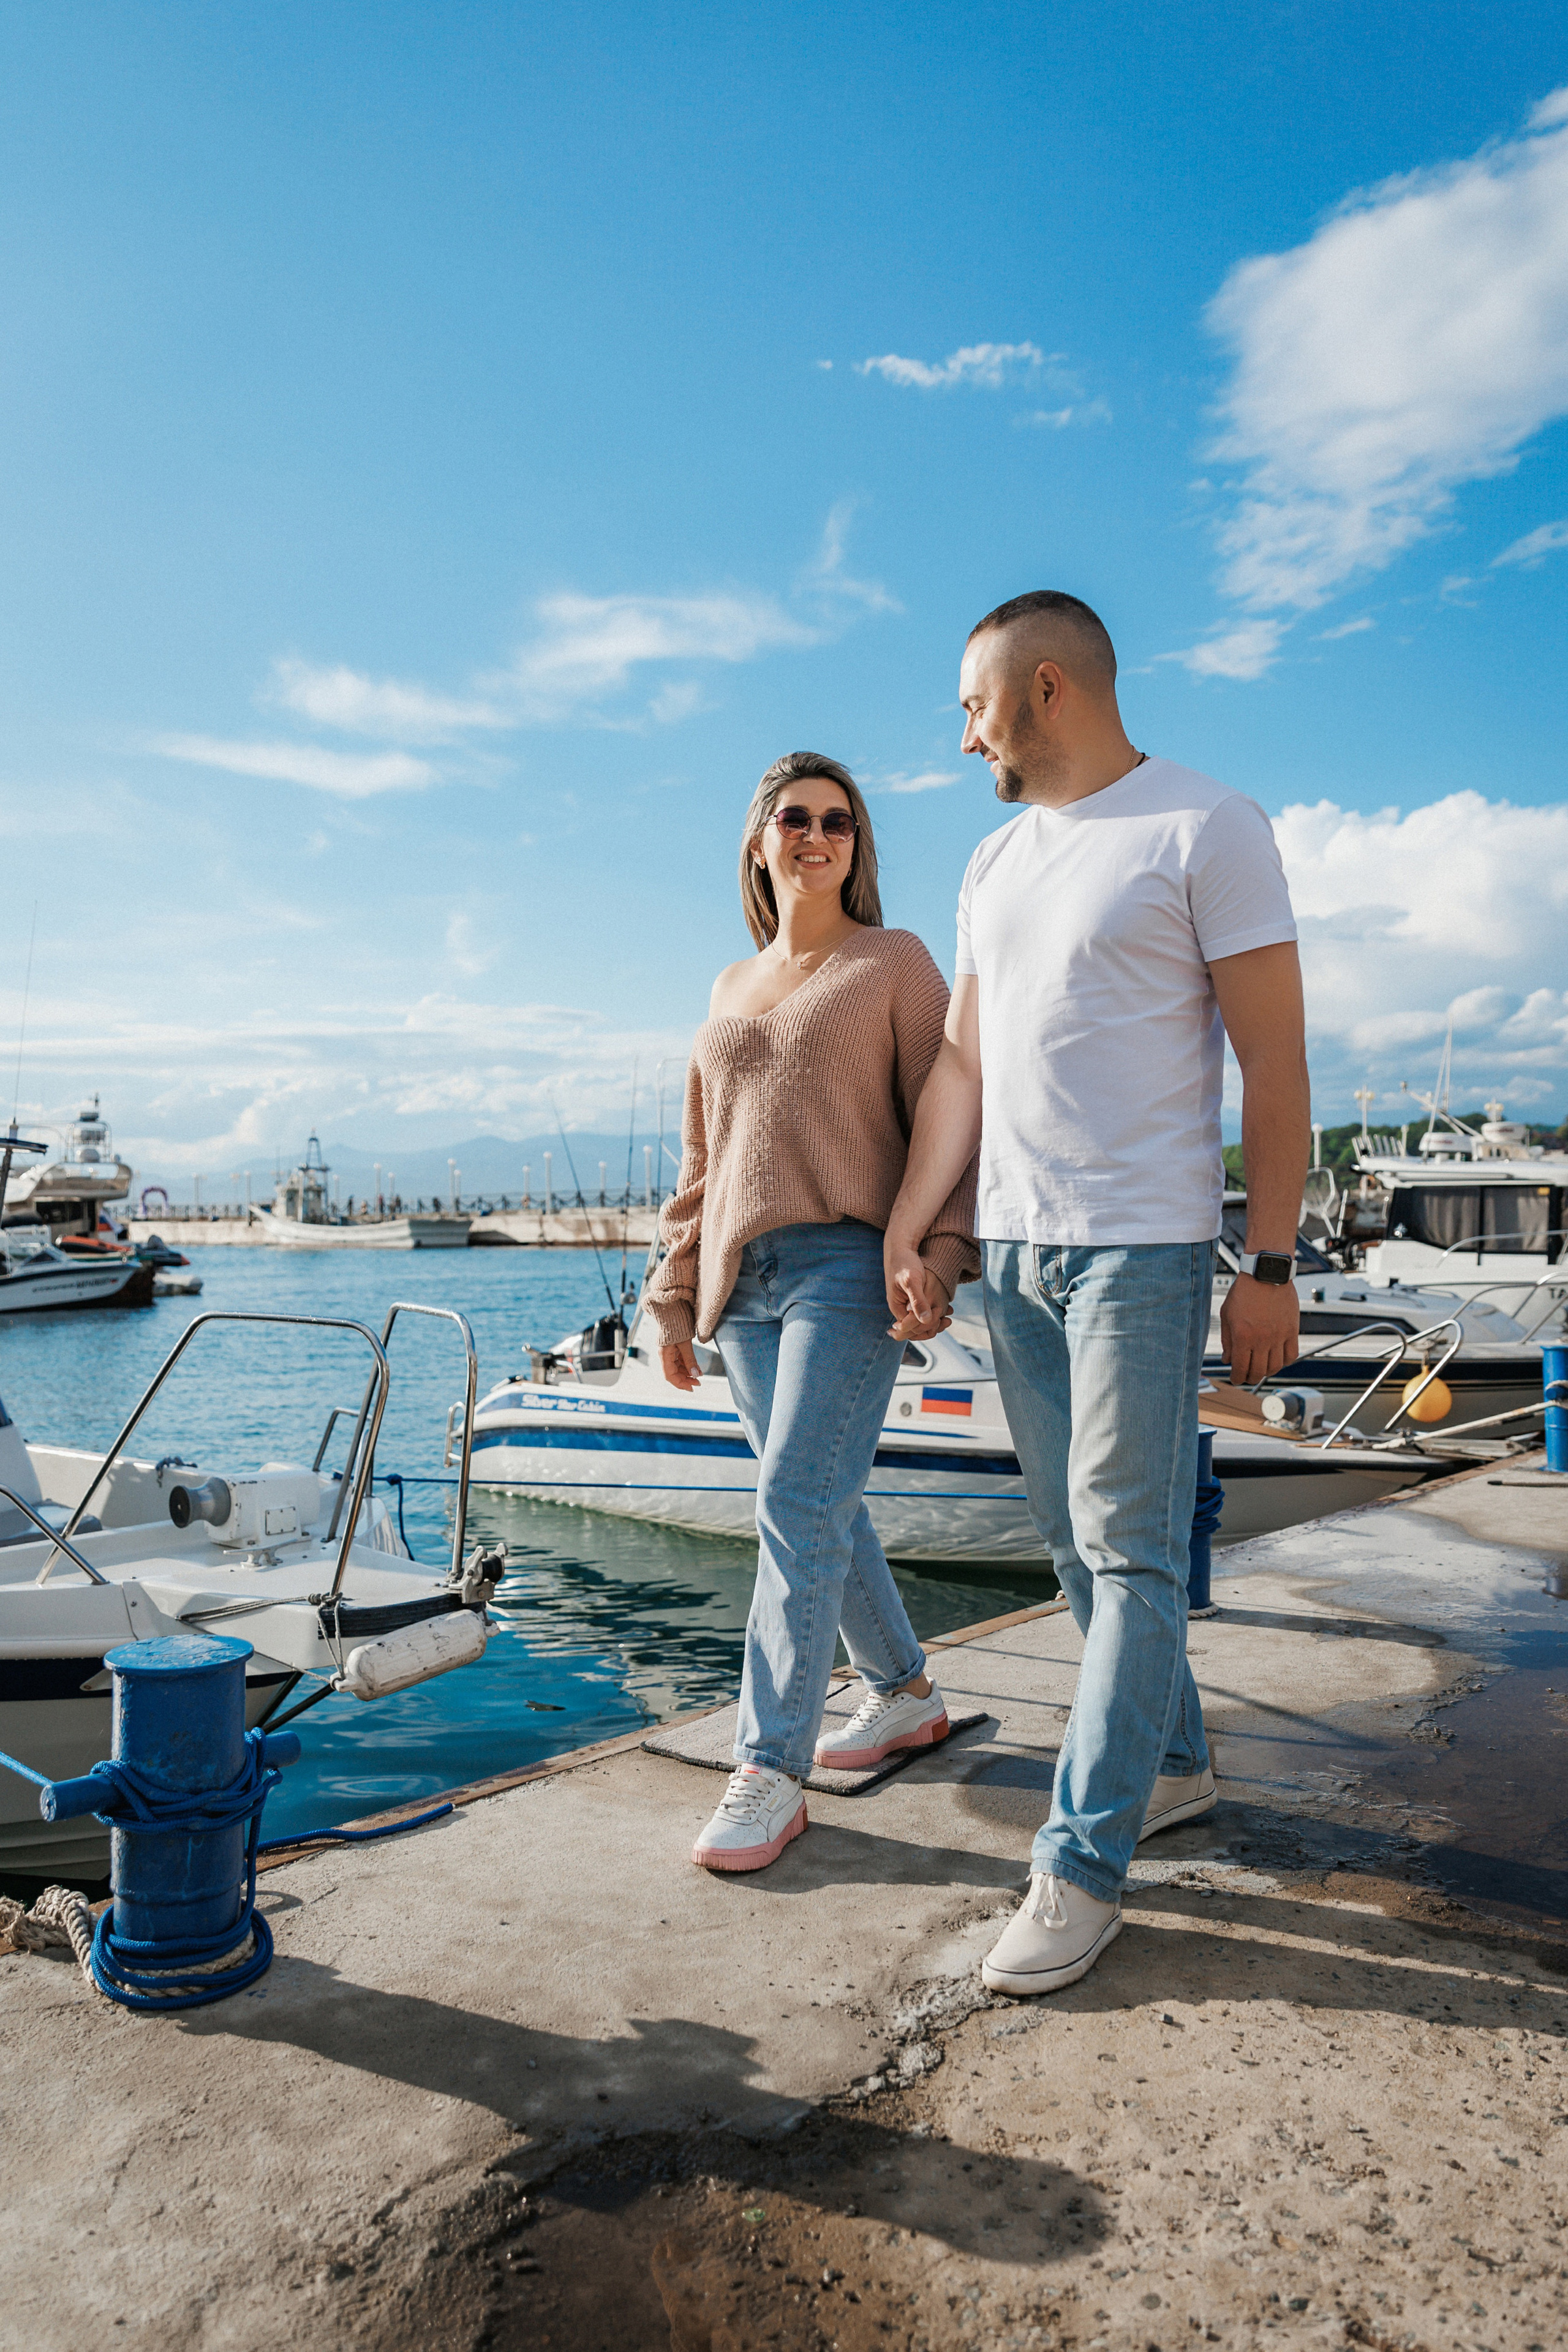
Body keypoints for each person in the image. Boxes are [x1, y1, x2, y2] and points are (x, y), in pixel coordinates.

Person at [885, 590, 1308, 1993]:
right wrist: (918, 1222)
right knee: (1075, 1551)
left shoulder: (1206, 827)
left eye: (970, 707)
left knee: (1127, 1552)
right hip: (1012, 1253)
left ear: (1045, 687)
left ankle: (1079, 1863)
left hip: (1142, 1247)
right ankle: (1174, 1761)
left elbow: (1274, 1068)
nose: (960, 737)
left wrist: (1270, 1260)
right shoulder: (994, 860)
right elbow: (962, 1068)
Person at [642, 751, 978, 1872]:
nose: (818, 836)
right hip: (743, 1286)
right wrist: (673, 1291)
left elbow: (950, 1109)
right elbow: (704, 1164)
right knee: (821, 1502)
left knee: (795, 1497)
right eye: (797, 818)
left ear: (857, 845)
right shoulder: (727, 988)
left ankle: (770, 1772)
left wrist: (939, 1247)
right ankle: (906, 1695)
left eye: (839, 822)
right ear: (760, 839)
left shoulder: (895, 962)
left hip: (846, 1261)